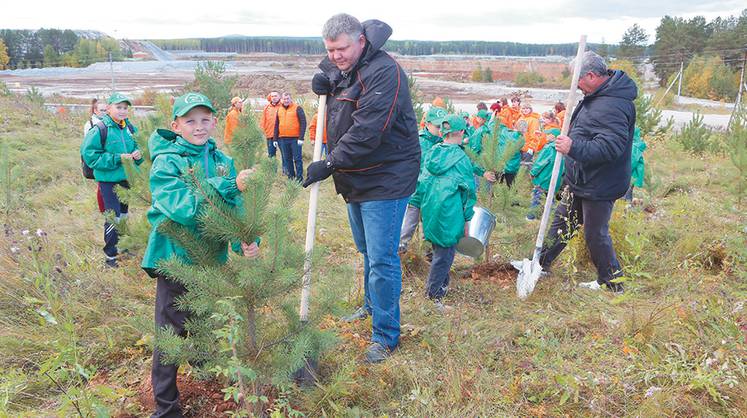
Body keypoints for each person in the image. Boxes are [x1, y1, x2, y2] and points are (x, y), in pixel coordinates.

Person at [304, 14, 420, 363]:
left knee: (382, 258)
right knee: (367, 249)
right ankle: (371, 307)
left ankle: (385, 336)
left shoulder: (385, 73)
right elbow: (329, 70)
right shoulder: (347, 63)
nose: (336, 55)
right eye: (330, 50)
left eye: (341, 49)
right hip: (357, 175)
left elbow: (369, 131)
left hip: (387, 175)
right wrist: (321, 78)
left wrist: (329, 162)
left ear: (361, 41)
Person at [141, 92, 258, 418]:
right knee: (171, 334)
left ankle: (209, 386)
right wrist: (228, 185)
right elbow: (184, 208)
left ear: (215, 121)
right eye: (190, 120)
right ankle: (166, 408)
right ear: (175, 125)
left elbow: (235, 207)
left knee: (206, 323)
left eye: (205, 119)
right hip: (175, 258)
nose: (199, 126)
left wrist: (245, 241)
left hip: (211, 257)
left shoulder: (222, 160)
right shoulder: (168, 161)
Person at [539, 51, 637, 292]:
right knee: (562, 223)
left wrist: (573, 146)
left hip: (600, 184)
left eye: (577, 81)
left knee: (595, 234)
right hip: (581, 179)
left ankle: (612, 283)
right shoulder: (597, 96)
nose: (576, 87)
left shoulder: (613, 104)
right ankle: (540, 264)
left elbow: (610, 147)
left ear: (591, 75)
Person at [408, 114, 479, 311]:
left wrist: (417, 205)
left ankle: (443, 285)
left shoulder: (432, 153)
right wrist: (467, 218)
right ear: (462, 132)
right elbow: (468, 192)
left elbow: (421, 182)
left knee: (439, 249)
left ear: (442, 132)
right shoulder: (461, 159)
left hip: (430, 209)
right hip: (449, 212)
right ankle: (433, 295)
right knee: (445, 254)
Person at [80, 92, 143, 268]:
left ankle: (122, 247)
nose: (122, 111)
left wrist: (138, 155)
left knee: (123, 214)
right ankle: (110, 257)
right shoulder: (100, 129)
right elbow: (91, 156)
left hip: (126, 179)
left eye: (125, 108)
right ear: (108, 109)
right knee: (113, 216)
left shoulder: (129, 128)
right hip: (108, 181)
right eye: (118, 107)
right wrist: (118, 158)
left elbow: (139, 146)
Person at [399, 106, 446, 254]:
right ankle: (400, 250)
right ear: (427, 124)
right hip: (417, 191)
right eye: (437, 126)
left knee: (430, 224)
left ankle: (428, 253)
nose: (440, 130)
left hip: (435, 194)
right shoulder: (418, 141)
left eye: (443, 126)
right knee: (409, 224)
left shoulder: (445, 143)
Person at [526, 128, 563, 220]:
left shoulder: (549, 148)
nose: (546, 136)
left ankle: (531, 217)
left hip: (543, 178)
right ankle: (553, 218)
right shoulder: (562, 150)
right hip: (555, 180)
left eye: (548, 134)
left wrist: (532, 172)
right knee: (550, 199)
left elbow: (540, 163)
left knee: (536, 197)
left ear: (553, 136)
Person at [84, 98, 109, 214]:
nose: (104, 112)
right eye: (102, 110)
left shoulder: (109, 122)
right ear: (95, 110)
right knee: (101, 184)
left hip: (107, 157)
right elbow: (89, 145)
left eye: (106, 110)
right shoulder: (90, 124)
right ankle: (103, 209)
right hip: (98, 158)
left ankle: (107, 207)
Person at [273, 92, 307, 181]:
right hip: (283, 139)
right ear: (282, 100)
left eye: (288, 98)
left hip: (295, 139)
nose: (286, 100)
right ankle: (291, 178)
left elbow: (303, 123)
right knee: (287, 159)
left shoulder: (297, 108)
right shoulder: (279, 109)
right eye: (284, 99)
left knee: (297, 159)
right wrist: (275, 139)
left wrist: (301, 137)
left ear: (290, 99)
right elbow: (276, 125)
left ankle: (299, 179)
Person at [626, 127, 646, 202]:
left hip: (630, 176)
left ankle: (627, 211)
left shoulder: (634, 146)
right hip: (633, 176)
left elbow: (631, 162)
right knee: (628, 196)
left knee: (626, 198)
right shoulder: (636, 145)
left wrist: (621, 171)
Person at [259, 91, 281, 158]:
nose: (274, 98)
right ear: (270, 98)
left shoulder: (283, 106)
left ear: (279, 97)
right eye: (272, 96)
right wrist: (262, 131)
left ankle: (285, 168)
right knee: (271, 155)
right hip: (270, 134)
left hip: (281, 135)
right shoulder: (267, 108)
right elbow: (263, 120)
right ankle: (272, 168)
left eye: (275, 96)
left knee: (285, 155)